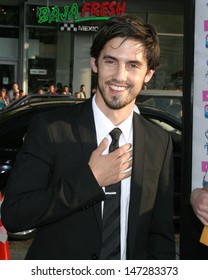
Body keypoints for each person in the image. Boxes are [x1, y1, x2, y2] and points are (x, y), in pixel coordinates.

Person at [1, 14, 175, 260]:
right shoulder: (51, 129)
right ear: (94, 63)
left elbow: (160, 235)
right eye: (111, 61)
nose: (119, 76)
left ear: (148, 74)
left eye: (133, 65)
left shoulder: (159, 141)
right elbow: (15, 215)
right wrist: (89, 179)